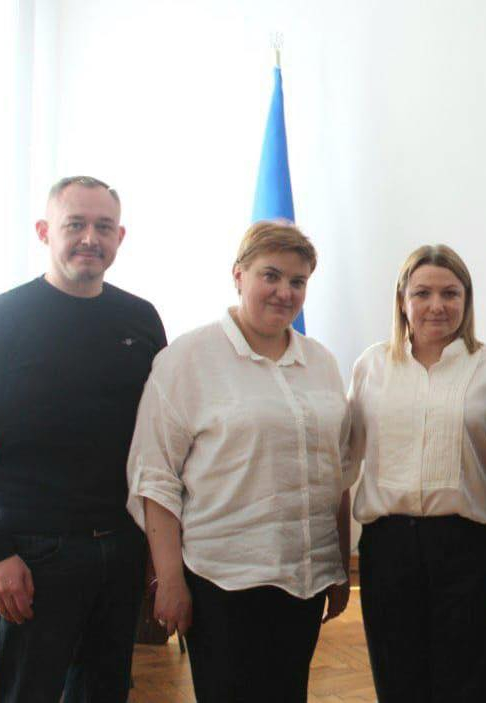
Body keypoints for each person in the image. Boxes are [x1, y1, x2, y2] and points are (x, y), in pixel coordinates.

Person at [0, 176, 166, 701]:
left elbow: (159, 435)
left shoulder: (141, 318)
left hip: (122, 545)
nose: (90, 238)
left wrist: (157, 549)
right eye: (75, 224)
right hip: (33, 555)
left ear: (119, 237)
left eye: (103, 227)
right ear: (44, 231)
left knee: (104, 691)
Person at [126, 220, 351, 702]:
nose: (284, 292)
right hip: (222, 581)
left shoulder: (322, 363)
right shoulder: (189, 358)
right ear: (238, 275)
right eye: (271, 276)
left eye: (298, 281)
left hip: (305, 579)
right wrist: (169, 580)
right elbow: (155, 477)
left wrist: (337, 568)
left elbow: (338, 473)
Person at [344, 244, 486, 702]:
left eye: (450, 293)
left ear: (466, 300)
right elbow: (344, 464)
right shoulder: (371, 367)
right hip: (389, 551)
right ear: (402, 300)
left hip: (471, 552)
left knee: (472, 685)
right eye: (423, 293)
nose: (437, 305)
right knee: (399, 683)